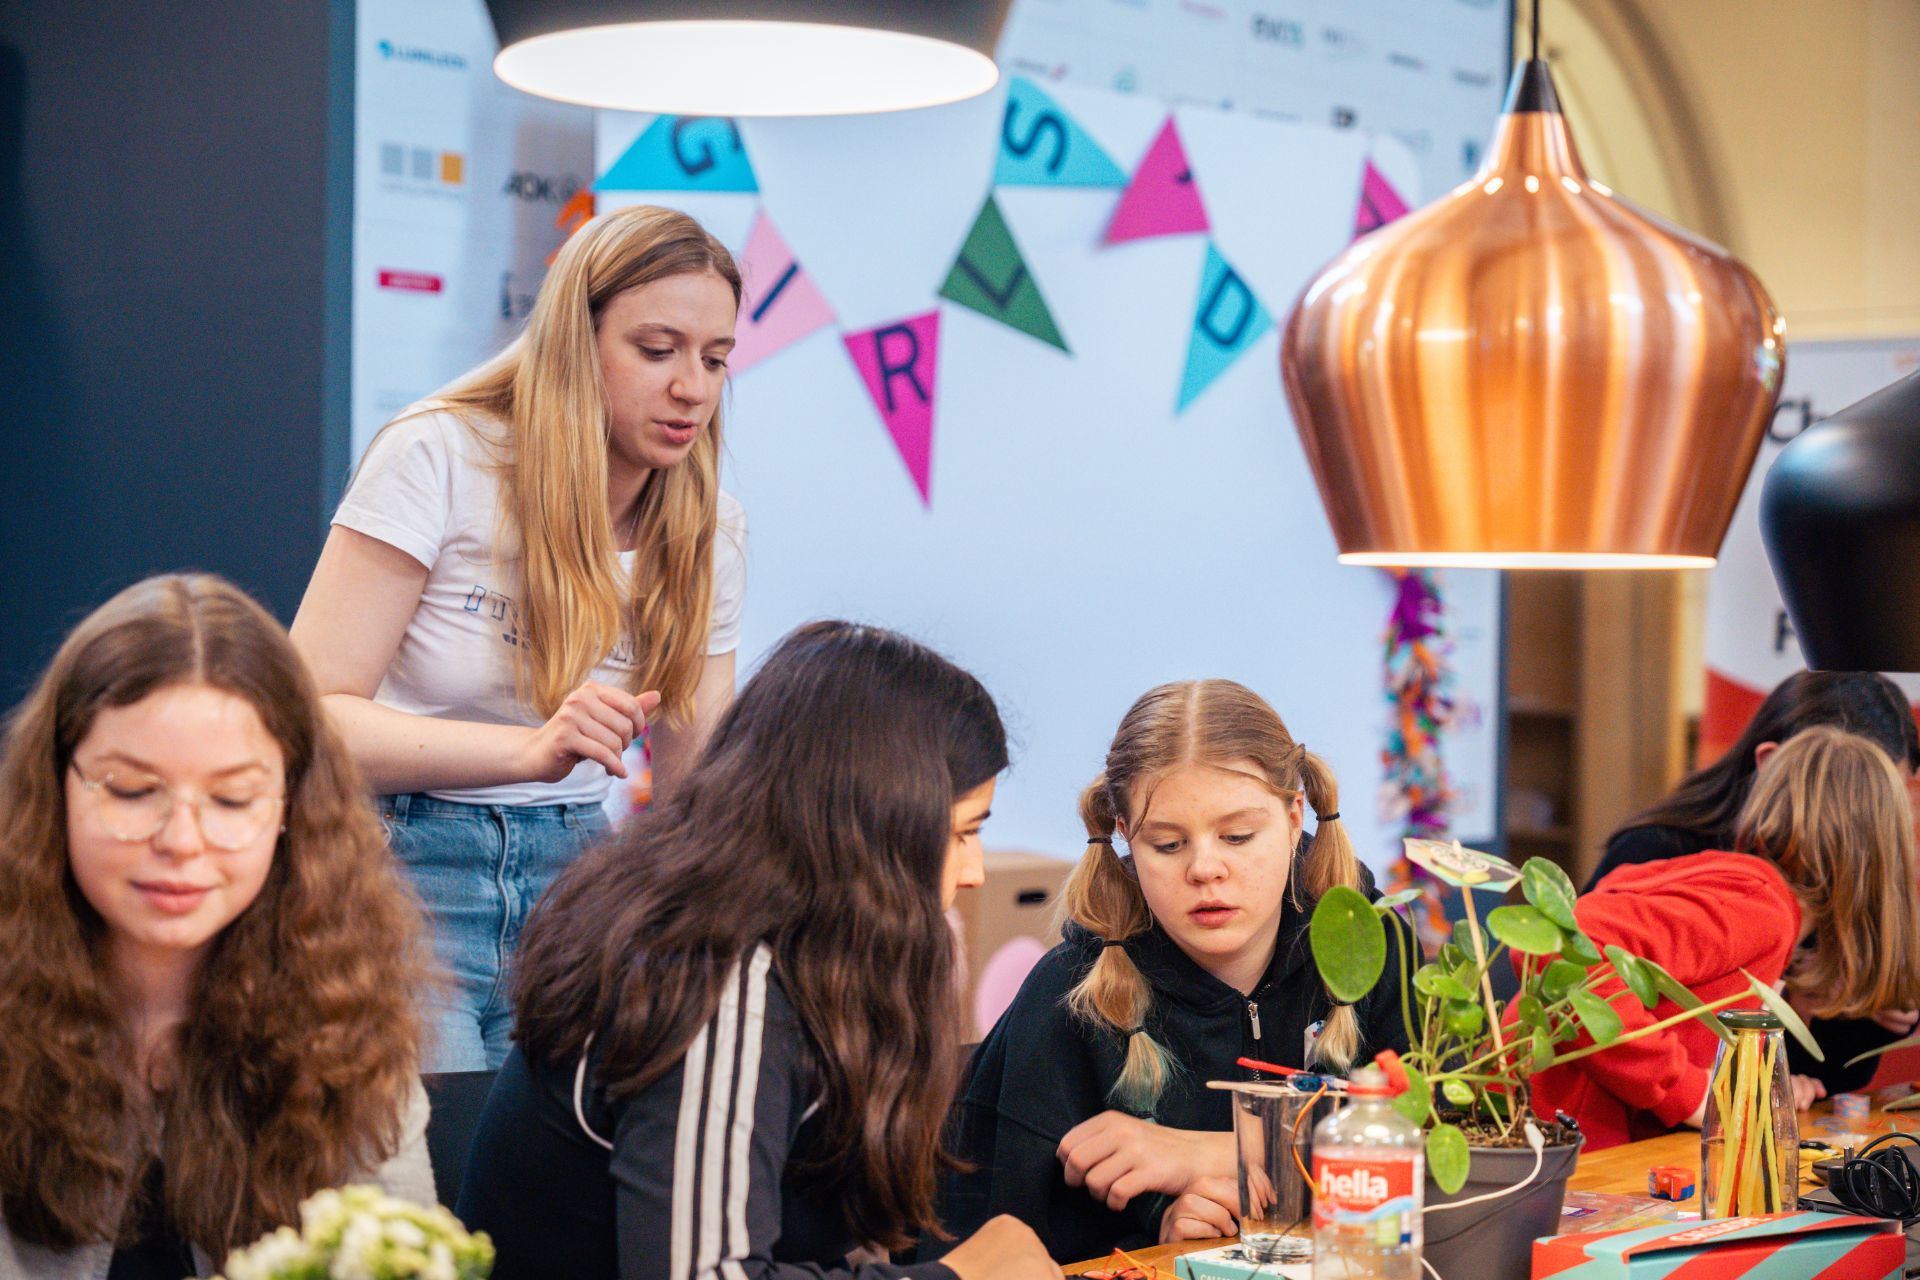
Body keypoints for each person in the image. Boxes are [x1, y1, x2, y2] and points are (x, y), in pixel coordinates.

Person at [455, 621, 1062, 1280]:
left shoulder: (827, 959)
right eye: (961, 833)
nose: (974, 872)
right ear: (867, 830)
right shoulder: (717, 980)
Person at [291, 204, 749, 1071]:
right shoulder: (439, 456)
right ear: (576, 342)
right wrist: (528, 752)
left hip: (580, 885)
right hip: (399, 868)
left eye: (715, 358)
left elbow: (698, 794)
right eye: (658, 350)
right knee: (439, 1145)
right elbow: (307, 720)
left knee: (556, 1154)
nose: (693, 387)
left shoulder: (709, 528)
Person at [0, 575, 433, 1278]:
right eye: (132, 791)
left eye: (232, 799)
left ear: (292, 807)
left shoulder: (349, 1023)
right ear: (55, 786)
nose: (181, 840)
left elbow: (404, 1261)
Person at [929, 680, 1413, 1264]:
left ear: (1293, 818)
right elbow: (984, 1249)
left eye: (1238, 836)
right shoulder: (1066, 998)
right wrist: (1159, 1238)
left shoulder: (1376, 948)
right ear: (1124, 835)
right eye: (1166, 844)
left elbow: (1457, 1151)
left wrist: (1206, 1154)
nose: (1206, 868)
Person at [1528, 727, 1920, 1150]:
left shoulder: (1743, 890)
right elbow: (1564, 942)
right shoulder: (1760, 909)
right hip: (1566, 1147)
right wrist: (1690, 1093)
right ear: (1876, 857)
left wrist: (1761, 1088)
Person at [1586, 670, 1920, 1091]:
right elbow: (1581, 982)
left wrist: (1870, 1010)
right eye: (1864, 801)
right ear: (1770, 764)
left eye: (1892, 799)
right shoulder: (1667, 857)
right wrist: (1694, 1094)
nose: (1882, 829)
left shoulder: (1823, 889)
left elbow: (1827, 1074)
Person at [1588, 669, 1918, 888]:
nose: (1869, 822)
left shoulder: (1851, 880)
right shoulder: (1654, 853)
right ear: (1771, 763)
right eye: (1857, 795)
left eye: (1888, 800)